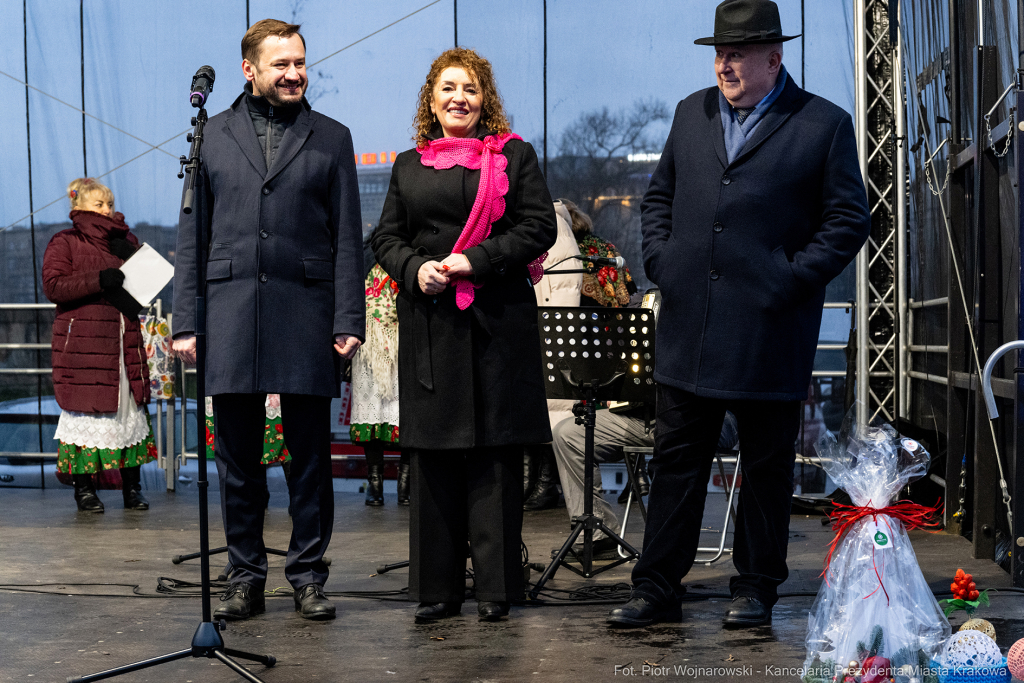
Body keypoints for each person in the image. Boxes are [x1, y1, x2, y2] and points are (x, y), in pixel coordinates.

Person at [607, 0, 870, 629]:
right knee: (678, 462)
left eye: (737, 53)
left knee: (765, 467)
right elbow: (659, 198)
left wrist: (789, 278)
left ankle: (754, 587)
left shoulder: (822, 124)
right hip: (689, 326)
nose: (724, 63)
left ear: (773, 58)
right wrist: (663, 263)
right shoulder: (691, 112)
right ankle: (657, 586)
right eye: (719, 52)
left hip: (769, 328)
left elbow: (848, 221)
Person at [172, 18, 364, 622]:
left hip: (306, 310)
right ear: (249, 70)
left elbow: (349, 239)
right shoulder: (213, 134)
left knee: (310, 457)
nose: (294, 73)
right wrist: (186, 320)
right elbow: (192, 234)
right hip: (230, 311)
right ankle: (245, 575)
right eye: (281, 63)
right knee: (237, 457)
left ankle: (308, 575)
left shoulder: (332, 137)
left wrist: (347, 315)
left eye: (300, 62)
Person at [372, 47, 557, 623]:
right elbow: (383, 238)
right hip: (432, 327)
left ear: (485, 101)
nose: (460, 98)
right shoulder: (407, 166)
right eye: (449, 88)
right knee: (433, 465)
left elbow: (539, 226)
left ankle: (498, 592)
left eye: (471, 89)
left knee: (495, 463)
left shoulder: (515, 156)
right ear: (432, 100)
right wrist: (415, 268)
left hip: (497, 328)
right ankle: (436, 591)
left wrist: (474, 260)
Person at [43, 178, 156, 513]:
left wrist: (134, 257)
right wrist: (99, 279)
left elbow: (141, 291)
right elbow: (54, 286)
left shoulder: (125, 241)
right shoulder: (65, 241)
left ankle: (132, 489)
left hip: (123, 338)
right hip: (84, 343)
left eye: (109, 204)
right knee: (86, 411)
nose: (107, 210)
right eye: (99, 205)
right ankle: (85, 490)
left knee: (127, 409)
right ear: (79, 207)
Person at [551, 408, 738, 561]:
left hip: (710, 416)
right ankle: (600, 536)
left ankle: (667, 556)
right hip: (643, 415)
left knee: (674, 431)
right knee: (569, 433)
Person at [522, 200, 583, 512]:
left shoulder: (552, 227)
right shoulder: (555, 225)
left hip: (550, 334)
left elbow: (552, 288)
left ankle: (544, 484)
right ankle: (537, 482)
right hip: (550, 332)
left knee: (553, 406)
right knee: (544, 406)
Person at [349, 257, 408, 506]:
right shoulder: (363, 256)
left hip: (403, 342)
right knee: (371, 413)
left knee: (407, 414)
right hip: (368, 346)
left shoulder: (409, 253)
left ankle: (407, 485)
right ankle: (375, 485)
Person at [561, 198, 636, 308]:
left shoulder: (560, 248)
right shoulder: (607, 246)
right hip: (613, 317)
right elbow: (630, 287)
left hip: (576, 315)